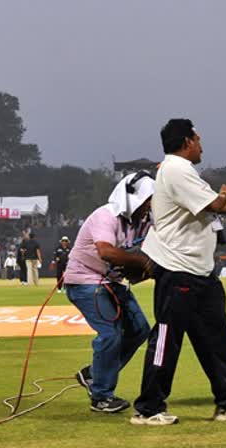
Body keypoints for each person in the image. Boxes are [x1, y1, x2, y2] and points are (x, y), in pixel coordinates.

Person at [131, 118, 226, 426]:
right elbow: (215, 205)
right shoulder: (176, 169)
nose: (202, 145)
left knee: (217, 338)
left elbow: (214, 206)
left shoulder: (181, 171)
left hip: (198, 272)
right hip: (178, 270)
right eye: (198, 139)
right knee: (167, 338)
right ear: (187, 142)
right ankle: (148, 408)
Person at [64, 173, 155, 413]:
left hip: (111, 281)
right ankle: (102, 396)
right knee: (110, 333)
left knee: (140, 330)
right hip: (85, 280)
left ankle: (93, 375)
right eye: (148, 199)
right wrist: (142, 262)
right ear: (133, 198)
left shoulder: (142, 221)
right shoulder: (105, 216)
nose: (150, 205)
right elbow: (106, 252)